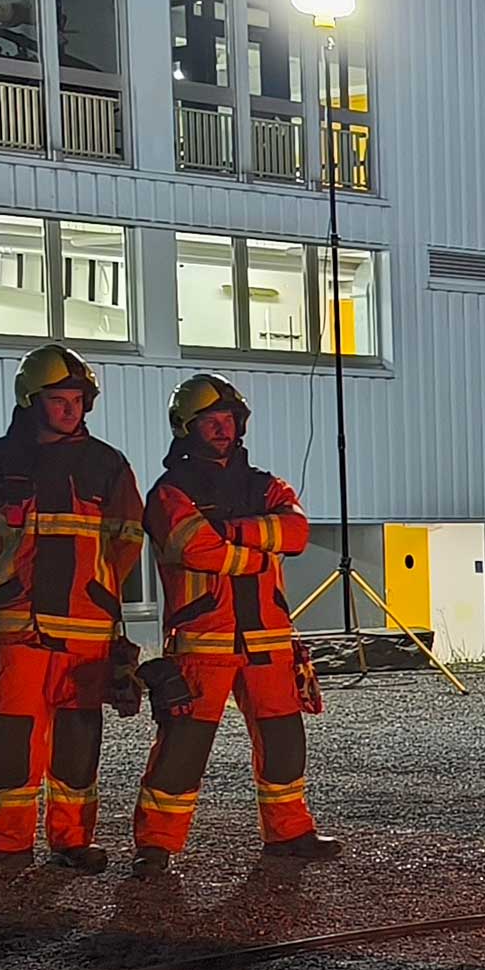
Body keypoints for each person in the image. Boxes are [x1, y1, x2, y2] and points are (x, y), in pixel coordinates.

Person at [132, 373, 340, 876]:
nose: (222, 429)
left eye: (227, 420)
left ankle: (289, 833)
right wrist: (253, 550)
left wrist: (227, 532)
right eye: (210, 421)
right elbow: (191, 548)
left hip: (268, 638)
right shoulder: (168, 493)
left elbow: (295, 533)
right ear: (187, 427)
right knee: (183, 746)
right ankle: (155, 844)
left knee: (285, 740)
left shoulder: (266, 484)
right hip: (204, 641)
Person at [0, 346, 145, 876]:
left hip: (85, 626)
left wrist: (95, 589)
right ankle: (5, 845)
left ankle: (73, 841)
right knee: (9, 737)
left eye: (77, 401)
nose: (70, 410)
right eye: (59, 400)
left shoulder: (109, 464)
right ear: (31, 401)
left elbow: (128, 539)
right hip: (19, 627)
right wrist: (10, 582)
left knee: (78, 739)